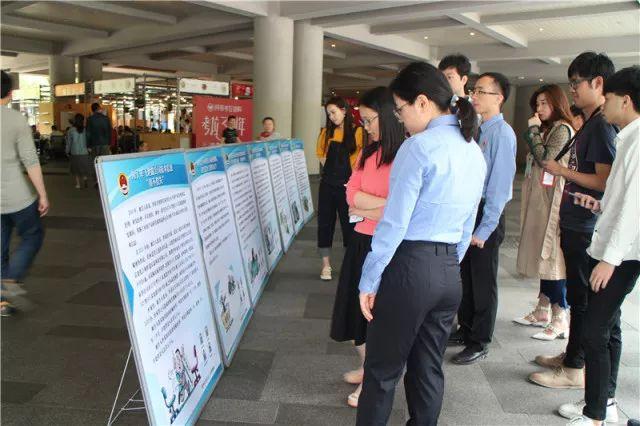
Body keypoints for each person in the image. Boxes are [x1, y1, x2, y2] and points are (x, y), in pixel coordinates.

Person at [356, 62, 486, 426]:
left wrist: (369, 279)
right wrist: (447, 264)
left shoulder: (418, 147)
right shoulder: (473, 150)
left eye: (400, 110)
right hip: (448, 271)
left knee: (382, 371)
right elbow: (467, 225)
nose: (399, 119)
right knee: (428, 368)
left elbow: (394, 223)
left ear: (423, 102)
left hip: (410, 268)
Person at [555, 66, 640, 426]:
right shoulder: (628, 137)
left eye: (610, 97)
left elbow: (634, 209)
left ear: (626, 100)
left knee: (595, 329)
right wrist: (600, 205)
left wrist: (610, 259)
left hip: (620, 255)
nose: (605, 103)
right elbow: (622, 200)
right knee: (608, 327)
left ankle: (596, 415)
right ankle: (604, 402)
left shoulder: (637, 141)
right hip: (614, 250)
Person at [530, 52, 616, 392]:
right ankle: (571, 355)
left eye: (576, 83)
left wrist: (562, 171)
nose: (572, 90)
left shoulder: (601, 125)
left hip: (584, 225)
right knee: (578, 297)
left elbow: (604, 180)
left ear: (598, 83)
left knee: (581, 300)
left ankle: (574, 367)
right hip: (575, 221)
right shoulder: (592, 122)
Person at [329, 87, 405, 409]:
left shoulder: (405, 154)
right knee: (354, 312)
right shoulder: (367, 152)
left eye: (371, 120)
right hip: (360, 239)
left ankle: (374, 380)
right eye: (363, 120)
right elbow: (350, 194)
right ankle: (366, 367)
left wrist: (367, 207)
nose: (366, 127)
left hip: (387, 245)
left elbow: (402, 208)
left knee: (377, 315)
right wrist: (379, 206)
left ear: (388, 116)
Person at [451, 72, 517, 364]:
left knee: (483, 281)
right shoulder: (476, 127)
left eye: (481, 91)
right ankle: (465, 328)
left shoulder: (502, 133)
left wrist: (485, 228)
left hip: (486, 215)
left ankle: (479, 340)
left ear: (499, 98)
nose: (473, 95)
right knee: (465, 275)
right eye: (473, 90)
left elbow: (499, 188)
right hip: (468, 211)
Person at [514, 85, 575, 341]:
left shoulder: (562, 129)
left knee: (552, 256)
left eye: (544, 103)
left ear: (557, 104)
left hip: (553, 200)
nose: (539, 109)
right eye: (537, 104)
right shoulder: (550, 128)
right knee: (543, 254)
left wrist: (533, 131)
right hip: (541, 197)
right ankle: (542, 308)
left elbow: (545, 158)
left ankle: (560, 316)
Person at [0, 70, 49, 316]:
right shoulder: (17, 119)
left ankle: (2, 301)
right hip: (17, 196)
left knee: (0, 249)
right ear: (10, 93)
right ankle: (12, 279)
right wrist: (43, 194)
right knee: (32, 235)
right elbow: (30, 160)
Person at [315, 97, 364, 281]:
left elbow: (361, 160)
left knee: (349, 225)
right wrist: (332, 173)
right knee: (324, 224)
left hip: (348, 186)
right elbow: (321, 155)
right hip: (327, 185)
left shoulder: (358, 132)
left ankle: (349, 266)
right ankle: (325, 265)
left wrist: (351, 181)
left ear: (344, 110)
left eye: (334, 112)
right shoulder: (326, 132)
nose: (332, 117)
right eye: (329, 114)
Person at [66, 113, 90, 189]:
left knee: (76, 169)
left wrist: (67, 151)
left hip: (74, 152)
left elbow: (69, 142)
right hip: (84, 152)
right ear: (82, 121)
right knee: (83, 167)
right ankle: (85, 178)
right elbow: (88, 140)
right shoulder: (85, 130)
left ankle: (78, 184)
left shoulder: (70, 130)